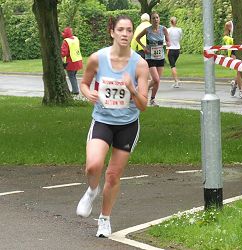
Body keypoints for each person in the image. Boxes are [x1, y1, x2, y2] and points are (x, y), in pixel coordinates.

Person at [76, 15, 149, 238]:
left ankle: (104, 219)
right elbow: (84, 84)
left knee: (113, 176)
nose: (125, 34)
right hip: (102, 120)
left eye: (129, 30)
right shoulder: (97, 58)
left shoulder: (140, 64)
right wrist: (89, 94)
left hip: (127, 124)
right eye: (121, 30)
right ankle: (91, 190)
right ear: (112, 32)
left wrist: (132, 89)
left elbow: (143, 105)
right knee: (93, 166)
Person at [136, 11, 170, 107]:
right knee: (155, 78)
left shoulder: (163, 29)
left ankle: (152, 100)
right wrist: (144, 47)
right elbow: (137, 38)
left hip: (160, 57)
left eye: (157, 17)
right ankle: (142, 90)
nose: (155, 19)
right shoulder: (147, 30)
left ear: (159, 19)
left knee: (157, 81)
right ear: (151, 20)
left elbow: (168, 39)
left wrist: (168, 43)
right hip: (150, 57)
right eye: (153, 18)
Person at [223, 21, 242, 98]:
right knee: (239, 70)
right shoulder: (229, 24)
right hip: (235, 50)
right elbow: (225, 36)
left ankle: (234, 83)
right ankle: (241, 91)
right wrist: (230, 40)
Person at [61, 27, 83, 98]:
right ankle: (75, 89)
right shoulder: (76, 39)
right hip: (78, 60)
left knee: (71, 77)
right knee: (73, 76)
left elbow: (64, 53)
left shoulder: (66, 41)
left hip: (71, 62)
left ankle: (75, 91)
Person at [167, 16, 183, 88]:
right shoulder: (179, 30)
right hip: (177, 50)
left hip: (170, 49)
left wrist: (167, 50)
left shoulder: (168, 30)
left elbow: (166, 41)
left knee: (172, 66)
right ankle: (175, 81)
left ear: (170, 22)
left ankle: (177, 81)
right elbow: (180, 38)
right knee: (173, 66)